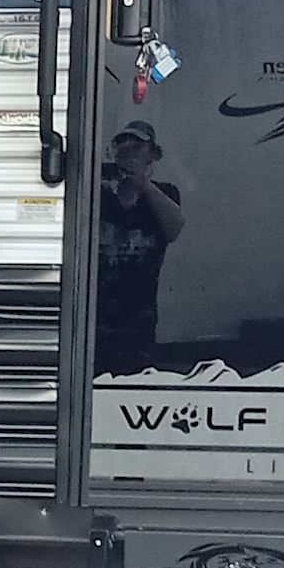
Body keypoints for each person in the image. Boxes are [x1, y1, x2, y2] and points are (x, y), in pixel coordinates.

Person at [94, 120, 184, 377]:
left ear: (152, 155)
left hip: (137, 321)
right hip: (96, 318)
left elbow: (174, 228)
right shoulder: (98, 195)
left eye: (137, 147)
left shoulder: (164, 194)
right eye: (123, 145)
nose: (129, 151)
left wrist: (142, 184)